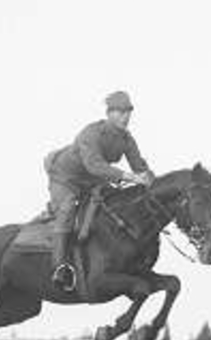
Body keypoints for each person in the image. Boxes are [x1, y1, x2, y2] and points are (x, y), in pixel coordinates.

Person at [43, 90, 155, 292]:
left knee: (116, 203)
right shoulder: (91, 133)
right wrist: (130, 177)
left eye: (128, 113)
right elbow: (95, 165)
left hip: (93, 181)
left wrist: (154, 183)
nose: (126, 117)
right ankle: (59, 268)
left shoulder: (126, 139)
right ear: (109, 113)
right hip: (66, 179)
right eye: (120, 112)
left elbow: (138, 165)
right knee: (67, 209)